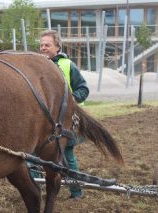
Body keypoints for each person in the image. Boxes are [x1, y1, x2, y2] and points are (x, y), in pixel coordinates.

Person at [38, 30, 90, 199]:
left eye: (47, 45)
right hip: (45, 122)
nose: (43, 48)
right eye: (41, 45)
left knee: (66, 156)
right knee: (32, 157)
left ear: (57, 46)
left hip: (68, 120)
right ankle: (33, 190)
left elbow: (83, 89)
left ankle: (76, 192)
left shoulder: (68, 65)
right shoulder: (37, 66)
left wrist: (69, 101)